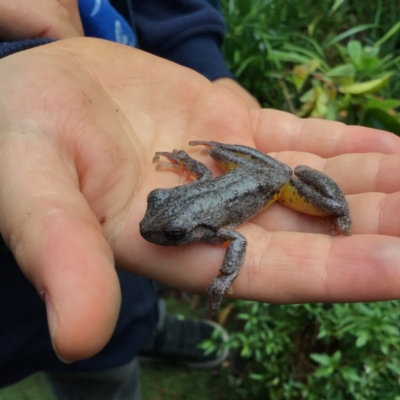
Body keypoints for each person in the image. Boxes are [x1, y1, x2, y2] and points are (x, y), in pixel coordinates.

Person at [2, 1, 400, 400]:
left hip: (276, 184)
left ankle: (340, 208)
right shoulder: (194, 216)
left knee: (326, 202)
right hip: (242, 176)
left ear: (193, 229)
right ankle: (151, 329)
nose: (151, 224)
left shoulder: (213, 228)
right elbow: (213, 193)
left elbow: (237, 236)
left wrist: (225, 275)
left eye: (172, 231)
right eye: (159, 205)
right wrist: (188, 163)